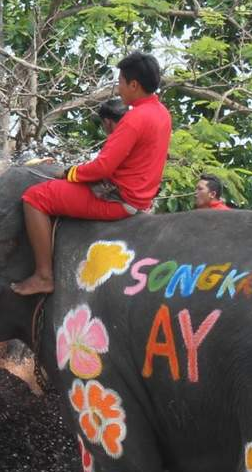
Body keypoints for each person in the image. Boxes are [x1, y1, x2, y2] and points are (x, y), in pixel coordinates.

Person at [12, 52, 172, 296]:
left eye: (120, 82)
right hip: (139, 197)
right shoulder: (161, 112)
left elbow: (102, 168)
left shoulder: (134, 119)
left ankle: (44, 276)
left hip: (118, 200)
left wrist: (70, 172)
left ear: (134, 85)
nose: (118, 89)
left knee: (35, 197)